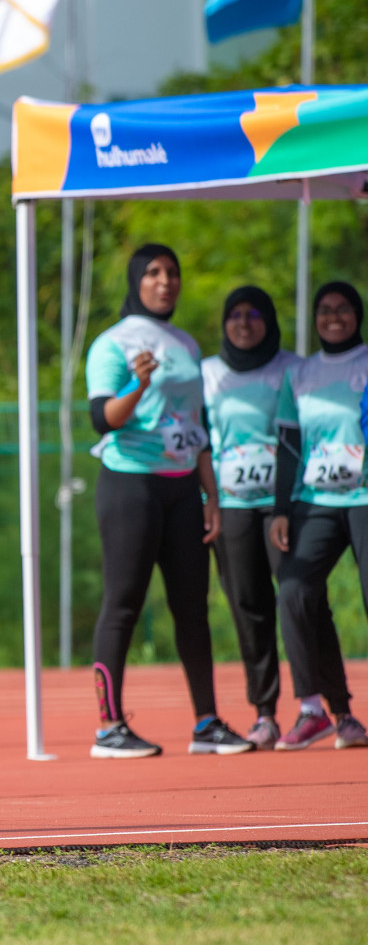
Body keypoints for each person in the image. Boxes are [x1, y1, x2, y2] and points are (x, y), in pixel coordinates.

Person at [84, 243, 253, 758]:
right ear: (136, 280)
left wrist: (210, 494)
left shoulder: (183, 342)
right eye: (154, 273)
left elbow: (196, 425)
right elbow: (102, 419)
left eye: (172, 273)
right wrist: (138, 384)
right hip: (130, 485)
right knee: (123, 605)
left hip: (184, 489)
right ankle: (109, 728)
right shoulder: (111, 343)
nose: (165, 281)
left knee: (192, 609)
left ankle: (206, 724)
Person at [268, 281, 368, 750]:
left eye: (342, 309)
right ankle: (314, 708)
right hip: (317, 501)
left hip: (364, 498)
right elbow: (287, 447)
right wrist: (280, 509)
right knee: (293, 589)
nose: (334, 317)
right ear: (315, 318)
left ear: (357, 314)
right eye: (324, 310)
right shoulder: (300, 374)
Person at [201, 287, 299, 750]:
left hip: (284, 505)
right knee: (248, 607)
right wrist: (210, 500)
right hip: (233, 505)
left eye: (254, 314)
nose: (244, 323)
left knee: (299, 601)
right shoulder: (207, 373)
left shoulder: (290, 368)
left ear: (269, 320)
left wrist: (284, 504)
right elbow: (200, 440)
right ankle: (265, 713)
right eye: (235, 314)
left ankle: (320, 706)